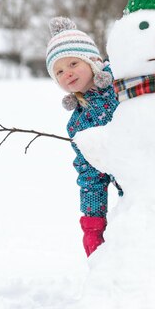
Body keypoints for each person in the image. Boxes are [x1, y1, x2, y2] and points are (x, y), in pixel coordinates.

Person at [45, 16, 122, 257]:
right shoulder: (79, 123)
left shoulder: (124, 82)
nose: (66, 73)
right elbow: (91, 176)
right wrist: (93, 223)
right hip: (133, 193)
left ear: (94, 61)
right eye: (58, 71)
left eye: (73, 64)